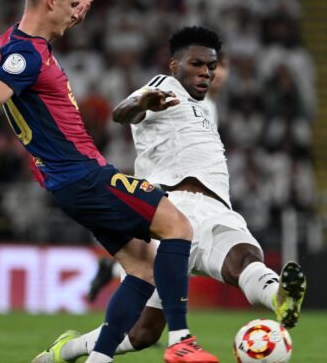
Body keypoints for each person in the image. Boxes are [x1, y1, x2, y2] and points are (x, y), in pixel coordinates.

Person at [0, 0, 217, 363]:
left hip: (69, 183)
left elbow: (33, 28)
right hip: (84, 175)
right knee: (178, 226)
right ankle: (181, 342)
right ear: (50, 0)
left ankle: (98, 358)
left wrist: (64, 18)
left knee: (143, 268)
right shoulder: (26, 55)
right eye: (69, 4)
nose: (75, 12)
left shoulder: (14, 41)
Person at [56, 26, 308, 362]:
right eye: (197, 64)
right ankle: (67, 349)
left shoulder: (208, 110)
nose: (206, 72)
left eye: (212, 66)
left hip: (218, 209)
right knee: (144, 332)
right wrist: (141, 101)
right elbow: (123, 112)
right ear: (174, 65)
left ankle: (279, 296)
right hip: (170, 212)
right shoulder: (164, 87)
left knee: (246, 258)